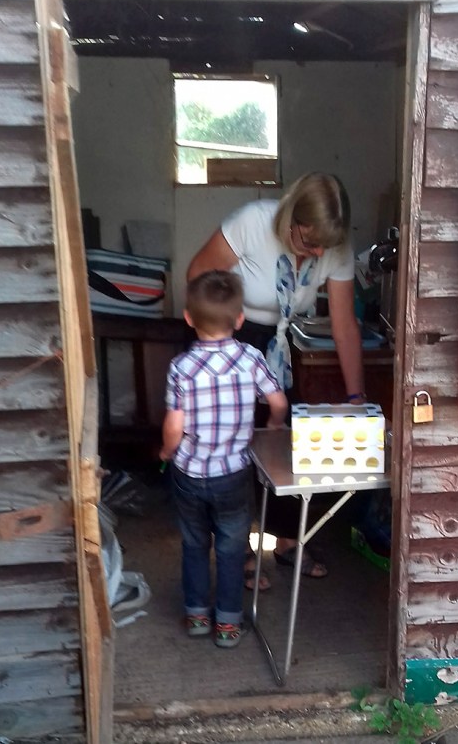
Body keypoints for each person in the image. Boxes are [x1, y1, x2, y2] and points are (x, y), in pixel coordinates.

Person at [186, 171, 367, 589]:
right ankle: (238, 549)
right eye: (309, 242)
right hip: (227, 335)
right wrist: (214, 349)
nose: (319, 251)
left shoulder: (333, 244)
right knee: (229, 446)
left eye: (327, 244)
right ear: (291, 219)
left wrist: (356, 397)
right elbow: (197, 274)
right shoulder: (252, 221)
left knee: (284, 445)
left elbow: (343, 325)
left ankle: (287, 542)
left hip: (280, 346)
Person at [159, 270, 288, 647]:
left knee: (194, 543)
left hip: (189, 473)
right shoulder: (250, 357)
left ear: (188, 318)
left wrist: (167, 451)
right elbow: (278, 402)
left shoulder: (181, 367)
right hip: (233, 473)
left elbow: (174, 425)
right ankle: (228, 625)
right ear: (239, 320)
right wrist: (275, 425)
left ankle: (197, 615)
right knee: (232, 549)